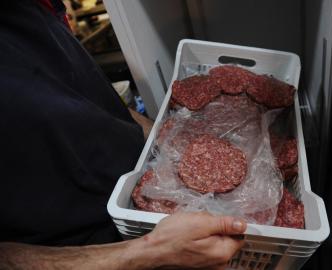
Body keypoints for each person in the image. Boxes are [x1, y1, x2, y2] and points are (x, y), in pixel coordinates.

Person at [0, 0, 246, 269]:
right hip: (94, 253)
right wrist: (150, 251)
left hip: (151, 207)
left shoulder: (33, 9)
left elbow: (86, 102)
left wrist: (166, 137)